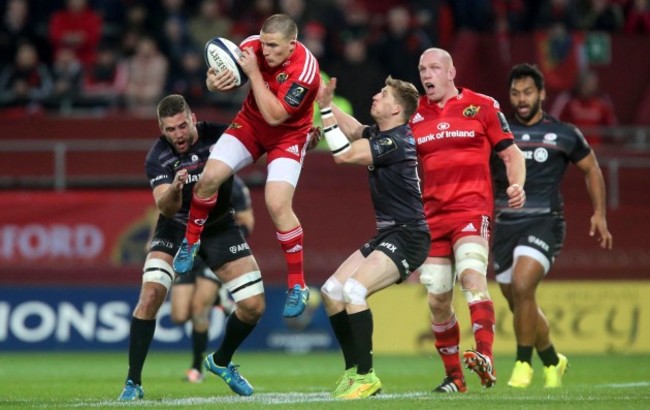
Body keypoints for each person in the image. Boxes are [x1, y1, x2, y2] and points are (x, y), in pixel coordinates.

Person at [173, 14, 320, 319]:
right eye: (263, 42)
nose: (265, 50)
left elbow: (276, 116)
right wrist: (213, 82)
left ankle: (297, 284)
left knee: (277, 204)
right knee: (208, 178)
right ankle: (190, 241)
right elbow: (221, 82)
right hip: (250, 126)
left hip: (288, 135)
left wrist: (253, 73)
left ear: (292, 45)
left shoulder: (306, 71)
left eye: (273, 46)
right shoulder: (252, 47)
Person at [118, 94, 265, 400]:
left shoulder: (222, 135)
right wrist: (174, 188)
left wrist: (301, 142)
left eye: (182, 126)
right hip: (176, 228)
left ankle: (221, 361)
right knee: (150, 295)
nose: (178, 135)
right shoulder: (157, 157)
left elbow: (263, 144)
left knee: (253, 306)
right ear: (161, 128)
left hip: (219, 226)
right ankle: (133, 383)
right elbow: (166, 208)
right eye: (170, 130)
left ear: (192, 118)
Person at [410, 48, 526, 393]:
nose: (427, 75)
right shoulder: (414, 113)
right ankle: (455, 378)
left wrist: (517, 183)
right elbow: (376, 139)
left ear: (451, 72)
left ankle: (485, 356)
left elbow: (510, 153)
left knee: (472, 276)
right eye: (422, 69)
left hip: (471, 210)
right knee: (437, 298)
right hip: (432, 217)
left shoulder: (483, 106)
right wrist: (329, 116)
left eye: (433, 68)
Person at [493, 63, 613, 389]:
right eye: (515, 93)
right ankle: (553, 361)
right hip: (505, 225)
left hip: (545, 221)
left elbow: (592, 170)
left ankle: (522, 364)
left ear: (542, 94)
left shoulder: (564, 133)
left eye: (528, 92)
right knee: (520, 301)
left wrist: (599, 214)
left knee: (522, 284)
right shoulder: (499, 134)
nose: (521, 99)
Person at [317, 76, 430, 399]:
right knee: (331, 290)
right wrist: (327, 104)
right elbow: (354, 129)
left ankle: (366, 377)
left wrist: (324, 115)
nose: (375, 96)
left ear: (397, 109)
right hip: (389, 232)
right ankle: (354, 373)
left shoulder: (398, 141)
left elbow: (344, 154)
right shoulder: (383, 134)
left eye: (383, 94)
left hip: (410, 235)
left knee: (354, 290)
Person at [169, 174, 254, 384]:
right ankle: (218, 300)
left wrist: (229, 249)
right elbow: (168, 212)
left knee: (199, 309)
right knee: (179, 315)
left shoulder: (234, 184)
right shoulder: (187, 177)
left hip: (215, 250)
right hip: (188, 249)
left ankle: (197, 369)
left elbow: (247, 221)